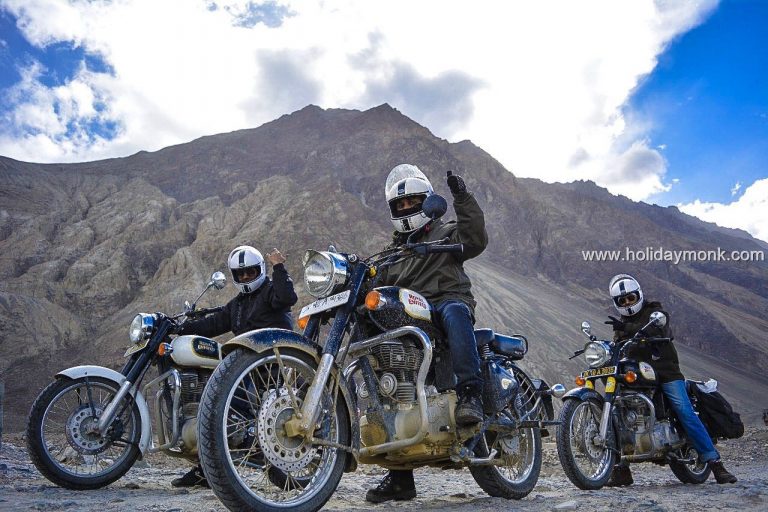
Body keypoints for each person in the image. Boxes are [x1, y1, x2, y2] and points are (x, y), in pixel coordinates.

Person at [365, 164, 489, 503]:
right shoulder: (392, 254)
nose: (406, 210)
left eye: (412, 203)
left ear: (427, 202)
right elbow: (375, 283)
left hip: (446, 300)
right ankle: (400, 478)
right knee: (388, 360)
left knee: (454, 312)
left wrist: (462, 198)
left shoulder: (447, 233)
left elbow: (475, 238)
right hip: (412, 315)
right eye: (400, 205)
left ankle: (470, 394)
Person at [171, 245, 298, 488]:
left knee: (254, 413)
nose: (246, 278)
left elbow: (287, 298)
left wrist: (279, 267)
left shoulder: (271, 291)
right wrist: (178, 328)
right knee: (216, 403)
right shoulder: (237, 305)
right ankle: (207, 469)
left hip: (274, 364)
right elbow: (212, 325)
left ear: (259, 270)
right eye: (241, 274)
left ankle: (274, 461)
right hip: (244, 368)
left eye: (250, 272)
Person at [603, 274, 737, 486]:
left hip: (666, 372)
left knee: (684, 410)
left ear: (638, 295)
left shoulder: (655, 312)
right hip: (639, 374)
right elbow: (620, 348)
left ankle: (716, 464)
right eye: (622, 300)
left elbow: (659, 328)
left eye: (630, 298)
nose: (628, 303)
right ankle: (621, 469)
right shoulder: (622, 325)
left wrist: (626, 329)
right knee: (618, 413)